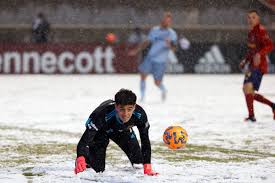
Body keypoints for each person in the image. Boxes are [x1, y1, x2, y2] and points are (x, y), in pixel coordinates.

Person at [74, 89, 158, 176]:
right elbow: (85, 140)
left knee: (139, 163)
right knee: (98, 170)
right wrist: (81, 156)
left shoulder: (140, 114)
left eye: (129, 109)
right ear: (116, 106)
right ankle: (87, 158)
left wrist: (147, 165)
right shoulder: (103, 114)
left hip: (122, 130)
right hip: (101, 132)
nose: (126, 114)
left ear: (134, 107)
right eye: (122, 109)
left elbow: (145, 140)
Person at [129, 12, 177, 101]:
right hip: (150, 57)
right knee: (143, 75)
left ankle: (163, 90)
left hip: (161, 61)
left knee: (157, 82)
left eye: (169, 21)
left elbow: (174, 49)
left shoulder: (172, 34)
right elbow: (147, 42)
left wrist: (169, 44)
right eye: (165, 20)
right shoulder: (155, 30)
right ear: (162, 21)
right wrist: (137, 50)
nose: (167, 22)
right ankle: (142, 97)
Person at [239, 9, 275, 122]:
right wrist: (245, 60)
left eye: (253, 17)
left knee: (248, 88)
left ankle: (251, 116)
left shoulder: (261, 31)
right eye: (249, 17)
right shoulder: (251, 33)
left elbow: (270, 46)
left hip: (259, 66)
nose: (251, 20)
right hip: (251, 66)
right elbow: (251, 51)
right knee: (247, 90)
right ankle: (272, 106)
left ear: (258, 19)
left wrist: (260, 54)